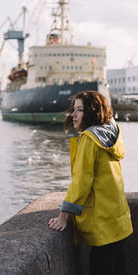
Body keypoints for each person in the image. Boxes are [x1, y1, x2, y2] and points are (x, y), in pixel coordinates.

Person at [48, 91, 133, 275]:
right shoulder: (112, 133)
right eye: (74, 109)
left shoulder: (89, 138)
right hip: (120, 223)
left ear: (92, 112)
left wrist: (63, 215)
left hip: (103, 227)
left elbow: (81, 182)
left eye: (80, 110)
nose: (73, 114)